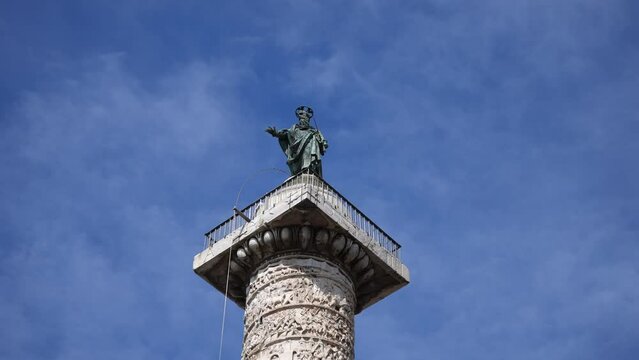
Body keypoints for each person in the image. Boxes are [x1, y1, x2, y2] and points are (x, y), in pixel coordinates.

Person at [266, 106, 328, 177]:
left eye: (305, 119)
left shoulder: (313, 131)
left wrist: (319, 139)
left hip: (310, 148)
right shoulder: (294, 129)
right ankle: (304, 170)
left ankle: (308, 168)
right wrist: (275, 133)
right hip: (297, 151)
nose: (303, 120)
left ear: (308, 120)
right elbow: (284, 134)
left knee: (309, 150)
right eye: (301, 119)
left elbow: (322, 143)